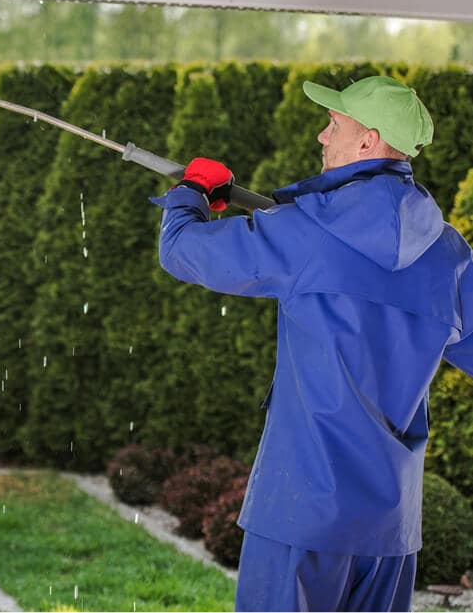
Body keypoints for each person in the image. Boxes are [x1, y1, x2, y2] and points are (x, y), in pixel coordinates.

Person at [151, 75, 473, 612]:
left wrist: (191, 193)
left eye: (333, 124)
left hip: (301, 511)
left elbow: (182, 249)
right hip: (390, 530)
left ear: (368, 141)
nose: (323, 136)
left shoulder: (306, 231)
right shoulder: (450, 255)